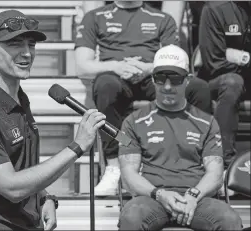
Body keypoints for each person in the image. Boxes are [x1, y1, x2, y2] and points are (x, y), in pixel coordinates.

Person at [0, 10, 106, 231]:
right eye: (15, 44)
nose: (26, 54)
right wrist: (77, 146)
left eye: (31, 45)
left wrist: (44, 197)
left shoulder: (19, 99)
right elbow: (11, 187)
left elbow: (21, 166)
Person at [74, 0, 212, 196]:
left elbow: (176, 60)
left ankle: (199, 162)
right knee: (105, 85)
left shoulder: (162, 18)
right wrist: (116, 66)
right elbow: (82, 66)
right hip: (116, 77)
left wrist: (150, 68)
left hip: (153, 75)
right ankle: (114, 167)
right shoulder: (95, 17)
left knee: (198, 88)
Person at [118, 44, 243, 230]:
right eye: (160, 78)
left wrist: (193, 196)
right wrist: (160, 194)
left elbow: (215, 174)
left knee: (229, 219)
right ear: (152, 79)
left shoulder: (207, 122)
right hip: (152, 198)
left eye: (175, 79)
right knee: (131, 217)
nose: (167, 86)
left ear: (188, 80)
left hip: (196, 198)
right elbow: (128, 175)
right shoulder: (131, 121)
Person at [198, 1, 251, 169]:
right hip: (218, 80)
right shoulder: (215, 8)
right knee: (233, 82)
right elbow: (214, 62)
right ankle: (223, 163)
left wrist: (238, 56)